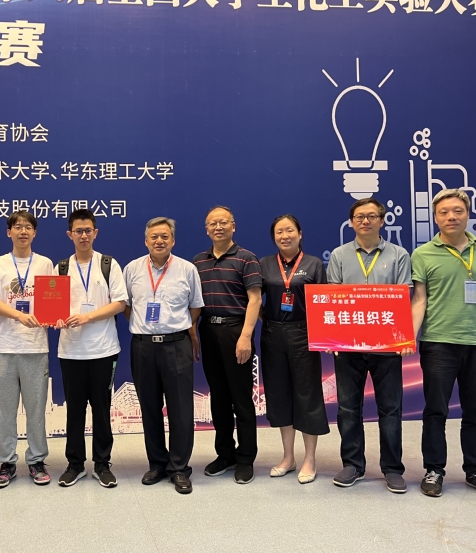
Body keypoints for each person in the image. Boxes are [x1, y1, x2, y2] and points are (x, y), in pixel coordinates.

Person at [410, 188, 476, 499]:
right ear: (435, 217)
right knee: (435, 410)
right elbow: (419, 300)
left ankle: (475, 471)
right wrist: (409, 337)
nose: (451, 216)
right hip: (437, 343)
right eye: (443, 212)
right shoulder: (422, 254)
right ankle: (434, 470)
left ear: (468, 214)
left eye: (457, 211)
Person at [326, 198, 412, 493]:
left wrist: (403, 339)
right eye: (359, 216)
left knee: (390, 408)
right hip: (348, 346)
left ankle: (392, 468)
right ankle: (353, 464)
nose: (365, 221)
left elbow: (403, 297)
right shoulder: (339, 255)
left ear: (382, 220)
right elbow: (334, 299)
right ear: (351, 222)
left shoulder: (399, 255)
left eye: (372, 216)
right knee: (348, 408)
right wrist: (332, 338)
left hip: (387, 346)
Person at [123, 217, 204, 494]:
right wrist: (144, 327)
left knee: (181, 409)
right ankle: (157, 463)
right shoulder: (132, 269)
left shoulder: (187, 269)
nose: (159, 241)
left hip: (177, 344)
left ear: (173, 241)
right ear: (146, 241)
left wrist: (181, 328)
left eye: (165, 237)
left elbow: (195, 306)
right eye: (154, 237)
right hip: (143, 346)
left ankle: (179, 468)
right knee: (149, 407)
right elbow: (126, 306)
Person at [53, 209, 128, 488]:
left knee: (101, 408)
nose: (83, 235)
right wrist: (56, 318)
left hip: (103, 350)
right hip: (71, 350)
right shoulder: (61, 268)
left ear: (95, 233)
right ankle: (75, 464)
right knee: (74, 410)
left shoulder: (108, 264)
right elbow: (53, 305)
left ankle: (102, 464)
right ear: (69, 234)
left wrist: (87, 317)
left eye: (88, 231)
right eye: (78, 231)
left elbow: (119, 303)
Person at [0, 210, 54, 488]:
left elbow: (53, 299)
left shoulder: (45, 263)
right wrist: (19, 315)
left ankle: (36, 460)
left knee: (36, 409)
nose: (23, 231)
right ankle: (7, 462)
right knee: (4, 410)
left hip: (35, 347)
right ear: (8, 232)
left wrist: (54, 315)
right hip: (4, 347)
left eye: (28, 227)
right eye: (17, 227)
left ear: (35, 233)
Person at [192, 206, 262, 484]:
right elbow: (195, 302)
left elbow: (255, 299)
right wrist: (193, 333)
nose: (218, 227)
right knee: (218, 398)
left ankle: (245, 458)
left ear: (233, 226)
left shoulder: (246, 258)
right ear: (206, 229)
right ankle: (225, 454)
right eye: (213, 223)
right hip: (209, 330)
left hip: (236, 331)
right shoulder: (199, 261)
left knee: (241, 399)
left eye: (223, 222)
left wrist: (245, 336)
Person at [259, 215, 329, 484]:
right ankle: (288, 457)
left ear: (300, 234)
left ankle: (310, 458)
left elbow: (322, 303)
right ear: (274, 237)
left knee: (307, 395)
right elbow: (255, 300)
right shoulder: (265, 264)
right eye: (279, 232)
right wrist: (270, 321)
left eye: (289, 230)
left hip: (304, 334)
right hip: (272, 335)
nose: (284, 235)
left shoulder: (313, 264)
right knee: (279, 395)